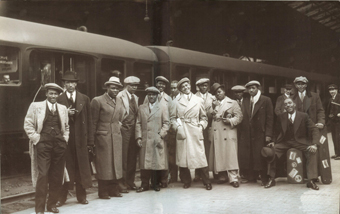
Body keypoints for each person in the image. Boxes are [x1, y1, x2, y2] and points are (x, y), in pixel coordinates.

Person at [24, 83, 69, 214]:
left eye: (55, 94)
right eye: (51, 93)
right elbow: (28, 124)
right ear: (46, 94)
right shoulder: (36, 106)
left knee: (56, 175)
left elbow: (66, 126)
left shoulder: (63, 108)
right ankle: (39, 209)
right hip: (43, 144)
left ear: (58, 95)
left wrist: (65, 138)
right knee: (43, 175)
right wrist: (36, 138)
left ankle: (52, 205)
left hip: (59, 145)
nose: (53, 96)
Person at [265, 97, 320, 190]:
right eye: (285, 104)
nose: (288, 105)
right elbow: (276, 131)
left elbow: (314, 129)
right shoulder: (281, 117)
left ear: (294, 104)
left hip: (300, 142)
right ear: (284, 107)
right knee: (272, 151)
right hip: (285, 142)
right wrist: (273, 142)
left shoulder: (303, 116)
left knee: (312, 152)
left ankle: (311, 180)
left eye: (289, 103)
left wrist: (314, 144)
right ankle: (271, 178)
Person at [56, 72, 93, 206]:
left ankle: (81, 197)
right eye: (67, 83)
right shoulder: (59, 99)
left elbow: (89, 121)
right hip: (66, 139)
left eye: (73, 83)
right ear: (64, 84)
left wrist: (90, 141)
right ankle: (62, 197)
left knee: (81, 168)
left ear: (76, 84)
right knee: (65, 168)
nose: (70, 85)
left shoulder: (85, 99)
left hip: (81, 140)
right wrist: (66, 113)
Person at [170, 77, 212, 190]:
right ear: (180, 89)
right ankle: (186, 181)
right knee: (183, 157)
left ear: (190, 86)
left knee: (200, 156)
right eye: (183, 87)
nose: (186, 87)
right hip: (182, 129)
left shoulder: (198, 100)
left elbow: (204, 117)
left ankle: (206, 181)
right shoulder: (175, 102)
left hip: (195, 129)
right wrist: (177, 127)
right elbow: (172, 118)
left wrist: (201, 126)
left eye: (187, 85)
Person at [90, 76, 125, 199]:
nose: (115, 90)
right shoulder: (97, 100)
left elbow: (120, 117)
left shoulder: (120, 101)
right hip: (103, 137)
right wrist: (91, 140)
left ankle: (114, 190)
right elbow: (93, 122)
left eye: (117, 89)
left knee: (115, 164)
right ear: (107, 87)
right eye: (113, 88)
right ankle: (103, 191)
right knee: (104, 165)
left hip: (116, 136)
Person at [238, 80, 273, 185]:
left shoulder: (266, 100)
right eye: (249, 88)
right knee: (250, 155)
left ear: (258, 88)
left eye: (253, 88)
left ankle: (264, 178)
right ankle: (251, 177)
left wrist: (268, 134)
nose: (251, 90)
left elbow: (270, 119)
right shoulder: (246, 101)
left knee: (260, 156)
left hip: (260, 133)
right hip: (248, 133)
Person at [135, 86, 170, 192]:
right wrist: (138, 137)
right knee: (144, 164)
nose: (151, 96)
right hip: (145, 139)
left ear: (157, 96)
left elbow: (167, 123)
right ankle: (144, 184)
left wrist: (161, 135)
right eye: (149, 94)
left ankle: (155, 184)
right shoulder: (142, 107)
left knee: (156, 162)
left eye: (153, 95)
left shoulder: (162, 107)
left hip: (157, 139)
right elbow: (138, 123)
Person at [208, 83, 243, 187]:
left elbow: (239, 117)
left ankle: (234, 178)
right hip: (217, 132)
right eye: (215, 93)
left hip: (228, 131)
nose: (217, 94)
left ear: (224, 91)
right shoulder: (212, 103)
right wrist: (212, 110)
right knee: (219, 154)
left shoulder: (232, 103)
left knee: (231, 155)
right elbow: (209, 116)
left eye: (219, 92)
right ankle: (222, 175)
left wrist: (230, 120)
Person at [117, 76, 140, 191]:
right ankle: (122, 182)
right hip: (124, 129)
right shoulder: (120, 96)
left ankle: (130, 181)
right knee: (123, 157)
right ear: (127, 85)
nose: (134, 87)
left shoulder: (135, 97)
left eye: (136, 85)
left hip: (133, 130)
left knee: (132, 156)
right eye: (132, 85)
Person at [193, 78, 215, 182]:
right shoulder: (194, 97)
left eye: (206, 85)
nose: (204, 87)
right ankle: (198, 173)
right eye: (202, 86)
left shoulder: (212, 97)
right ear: (198, 87)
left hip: (209, 126)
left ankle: (206, 172)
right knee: (197, 149)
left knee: (206, 149)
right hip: (197, 126)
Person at [168, 80, 180, 183]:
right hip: (171, 130)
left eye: (175, 88)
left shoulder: (181, 99)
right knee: (171, 153)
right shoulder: (168, 98)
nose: (173, 90)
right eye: (171, 88)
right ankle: (173, 176)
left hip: (180, 129)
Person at [325, 84, 340, 160]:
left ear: (337, 90)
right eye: (330, 90)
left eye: (333, 90)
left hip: (338, 121)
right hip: (332, 121)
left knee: (338, 137)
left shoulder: (339, 97)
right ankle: (337, 153)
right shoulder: (331, 99)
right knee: (334, 137)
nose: (331, 91)